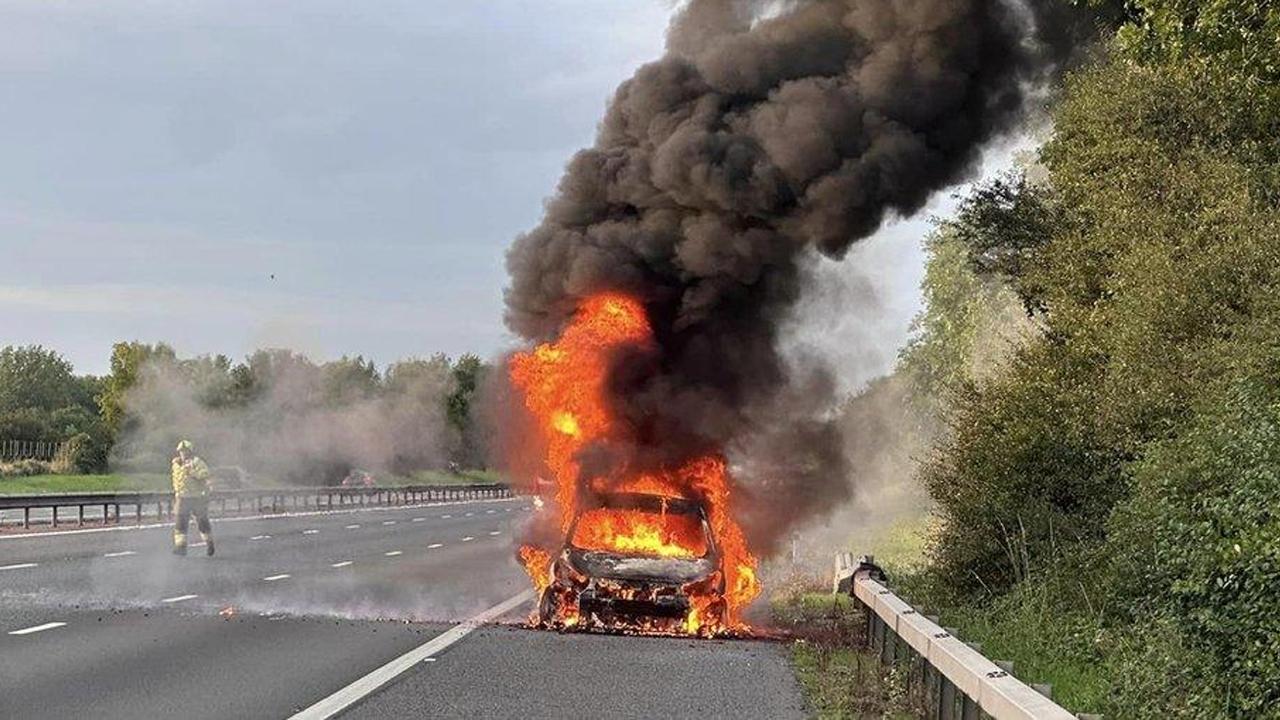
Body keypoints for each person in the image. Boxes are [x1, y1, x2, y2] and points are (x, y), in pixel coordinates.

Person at [171, 439, 214, 556]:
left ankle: (209, 543)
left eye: (185, 451)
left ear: (190, 451)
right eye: (181, 451)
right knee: (180, 522)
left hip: (197, 497)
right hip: (182, 497)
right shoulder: (176, 464)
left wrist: (192, 472)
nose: (183, 453)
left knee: (202, 521)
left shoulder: (197, 462)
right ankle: (181, 547)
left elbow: (205, 475)